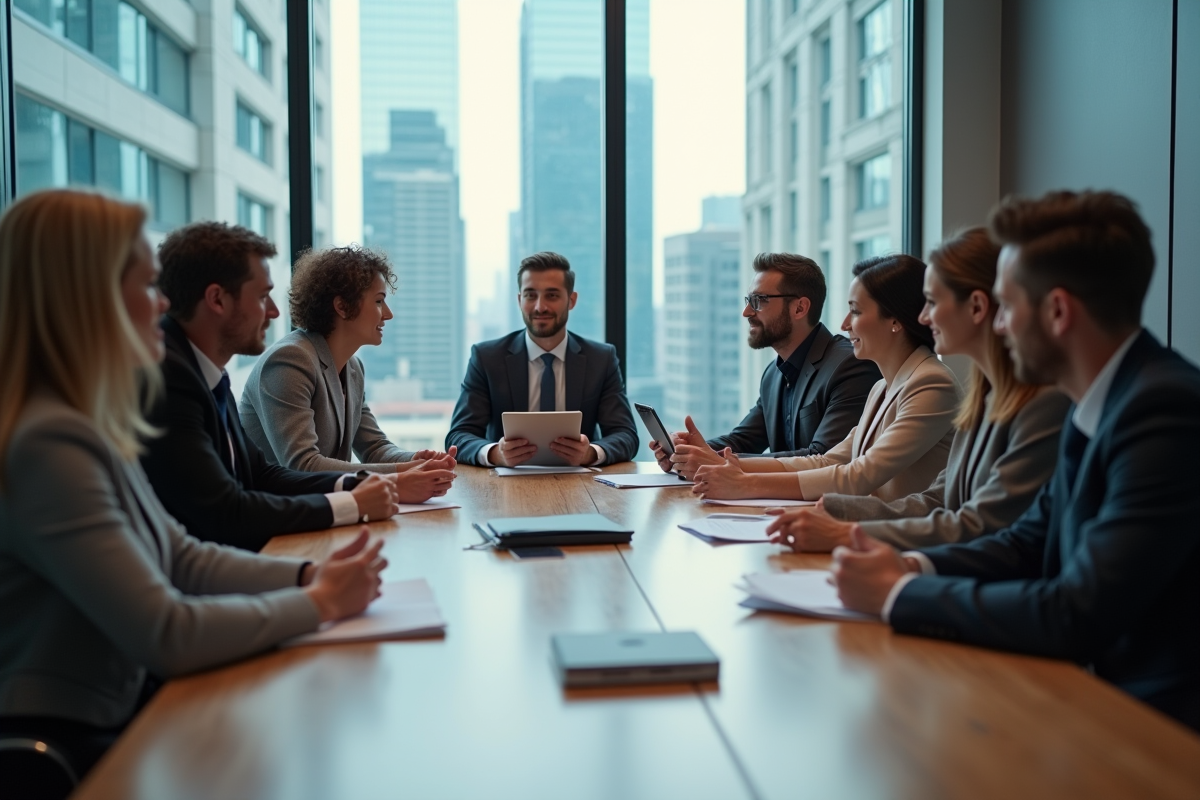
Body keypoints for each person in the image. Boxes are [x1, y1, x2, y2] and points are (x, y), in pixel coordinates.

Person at [0, 190, 386, 780]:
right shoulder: (47, 442)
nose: (161, 304)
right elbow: (166, 631)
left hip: (120, 710)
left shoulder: (86, 419)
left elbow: (179, 555)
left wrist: (311, 574)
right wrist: (320, 602)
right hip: (74, 744)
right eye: (146, 284)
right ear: (87, 297)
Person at [831, 190, 1200, 731]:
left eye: (1007, 307)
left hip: (1152, 725)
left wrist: (902, 593)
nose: (998, 326)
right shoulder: (1097, 401)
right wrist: (909, 566)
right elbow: (1028, 540)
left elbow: (1079, 611)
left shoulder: (1161, 409)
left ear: (1056, 312)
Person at [765, 228, 1069, 552]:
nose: (923, 316)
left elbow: (976, 525)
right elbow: (936, 501)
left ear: (978, 308)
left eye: (933, 302)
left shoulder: (1026, 402)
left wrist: (845, 533)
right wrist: (832, 510)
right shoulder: (982, 397)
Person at [142, 222, 406, 552]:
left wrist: (357, 484)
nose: (275, 311)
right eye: (263, 296)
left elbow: (261, 474)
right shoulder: (171, 381)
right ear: (217, 300)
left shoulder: (210, 373)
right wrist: (357, 500)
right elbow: (228, 511)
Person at [692, 254, 960, 502]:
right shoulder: (882, 388)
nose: (845, 324)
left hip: (904, 544)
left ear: (895, 321)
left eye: (855, 311)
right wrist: (722, 463)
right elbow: (826, 461)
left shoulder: (931, 384)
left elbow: (858, 476)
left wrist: (745, 484)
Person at [239, 245, 458, 493]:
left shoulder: (353, 367)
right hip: (273, 519)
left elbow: (374, 448)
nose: (388, 314)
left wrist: (417, 461)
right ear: (342, 307)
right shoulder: (289, 360)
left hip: (318, 509)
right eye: (378, 301)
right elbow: (303, 465)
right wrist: (400, 477)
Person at [649, 253, 880, 478]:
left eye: (759, 301)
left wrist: (718, 462)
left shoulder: (851, 366)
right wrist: (687, 452)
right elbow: (742, 440)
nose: (747, 312)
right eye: (749, 300)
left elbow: (824, 458)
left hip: (823, 511)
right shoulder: (773, 374)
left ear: (800, 308)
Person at [446, 251, 639, 466]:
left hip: (581, 488)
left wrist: (591, 453)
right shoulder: (487, 358)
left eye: (552, 295)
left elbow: (626, 435)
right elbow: (458, 436)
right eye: (530, 295)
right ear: (520, 300)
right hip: (505, 487)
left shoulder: (601, 359)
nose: (540, 307)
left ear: (571, 300)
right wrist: (495, 454)